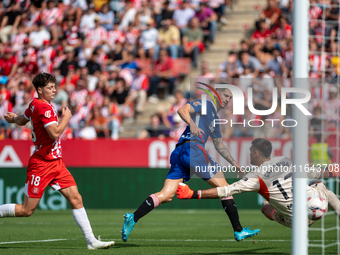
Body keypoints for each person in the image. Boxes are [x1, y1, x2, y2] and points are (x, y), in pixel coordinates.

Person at [122, 86, 260, 242]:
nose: (228, 99)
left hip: (180, 153)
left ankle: (133, 217)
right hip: (193, 150)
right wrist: (192, 124)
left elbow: (219, 144)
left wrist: (234, 163)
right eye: (225, 95)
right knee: (225, 188)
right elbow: (182, 110)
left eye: (230, 98)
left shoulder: (215, 119)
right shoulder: (207, 105)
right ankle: (238, 230)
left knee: (166, 195)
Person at [1, 73, 114, 250]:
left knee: (76, 199)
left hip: (56, 163)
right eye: (50, 88)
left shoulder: (35, 104)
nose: (54, 90)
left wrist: (13, 118)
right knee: (26, 210)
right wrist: (67, 117)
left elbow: (23, 120)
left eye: (54, 87)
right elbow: (54, 133)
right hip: (41, 164)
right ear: (40, 90)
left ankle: (91, 241)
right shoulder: (44, 108)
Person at [177, 138, 340, 228]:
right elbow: (314, 171)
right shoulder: (285, 160)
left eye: (250, 152)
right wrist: (333, 170)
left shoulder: (255, 177)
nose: (249, 155)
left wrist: (194, 194)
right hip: (318, 205)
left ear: (255, 153)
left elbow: (225, 191)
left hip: (298, 222)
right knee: (319, 184)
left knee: (265, 207)